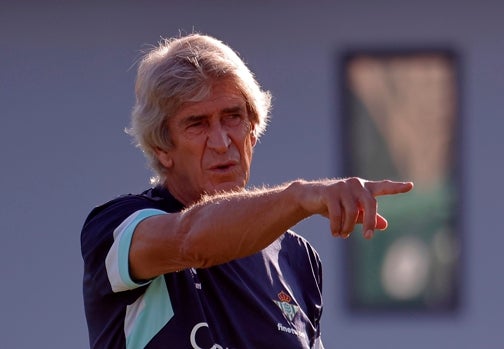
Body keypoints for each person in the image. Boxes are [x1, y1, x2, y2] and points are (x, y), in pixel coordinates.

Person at [81, 33, 413, 349]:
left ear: (254, 130)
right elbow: (191, 240)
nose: (222, 142)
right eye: (197, 123)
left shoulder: (296, 258)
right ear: (161, 147)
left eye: (233, 117)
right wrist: (299, 196)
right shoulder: (117, 226)